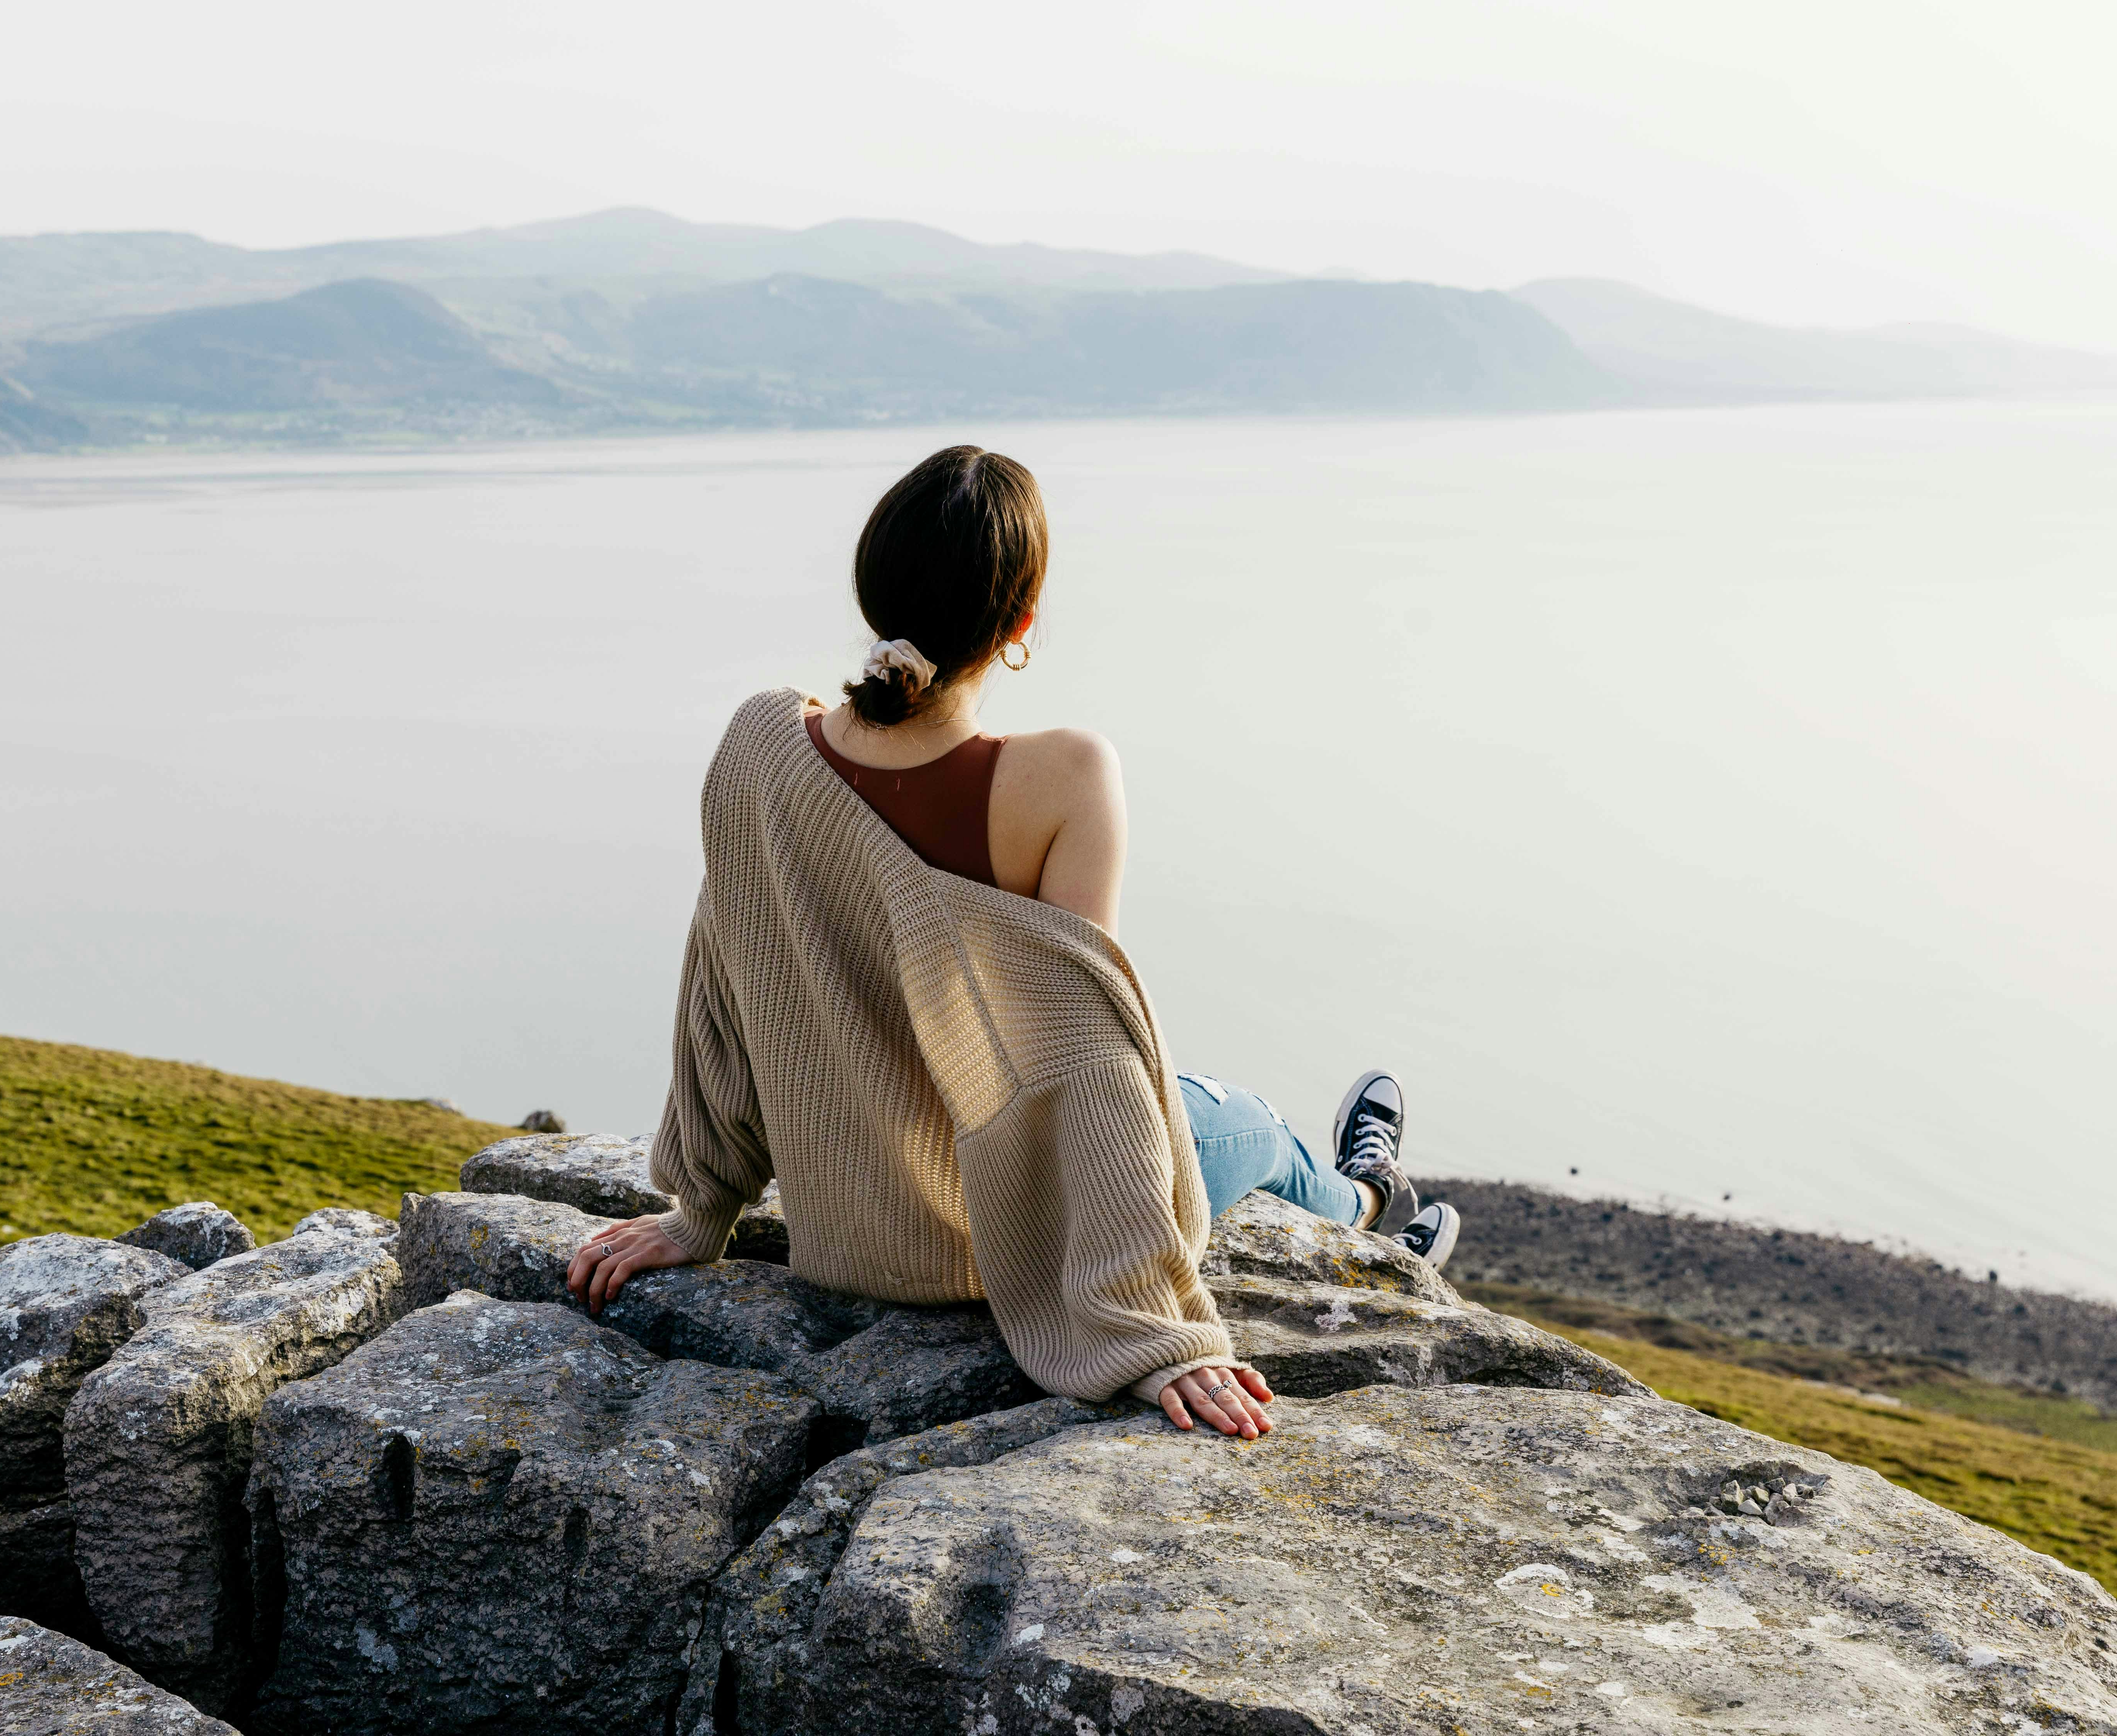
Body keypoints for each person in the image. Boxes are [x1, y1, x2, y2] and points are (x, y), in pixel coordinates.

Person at [567, 445, 1462, 1437]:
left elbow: (725, 987)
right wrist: (1150, 1337)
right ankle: (1372, 1210)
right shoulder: (1066, 776)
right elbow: (1089, 1063)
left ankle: (1377, 1212)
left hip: (847, 1237)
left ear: (873, 586)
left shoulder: (758, 743)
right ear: (1023, 622)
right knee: (1240, 1119)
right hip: (1002, 1245)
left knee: (1205, 1102)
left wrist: (700, 1210)